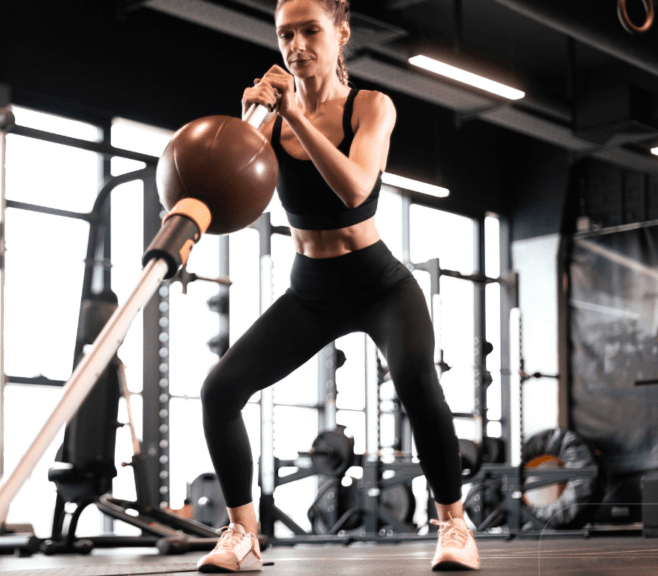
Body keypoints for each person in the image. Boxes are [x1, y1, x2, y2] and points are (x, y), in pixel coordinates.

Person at [195, 0, 480, 572]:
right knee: (219, 391)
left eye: (309, 31)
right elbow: (237, 191)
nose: (296, 45)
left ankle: (453, 524)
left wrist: (294, 113)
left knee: (417, 382)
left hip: (379, 285)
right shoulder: (269, 119)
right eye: (284, 34)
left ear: (341, 33)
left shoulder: (372, 106)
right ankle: (243, 534)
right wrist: (246, 126)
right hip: (311, 291)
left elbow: (353, 189)